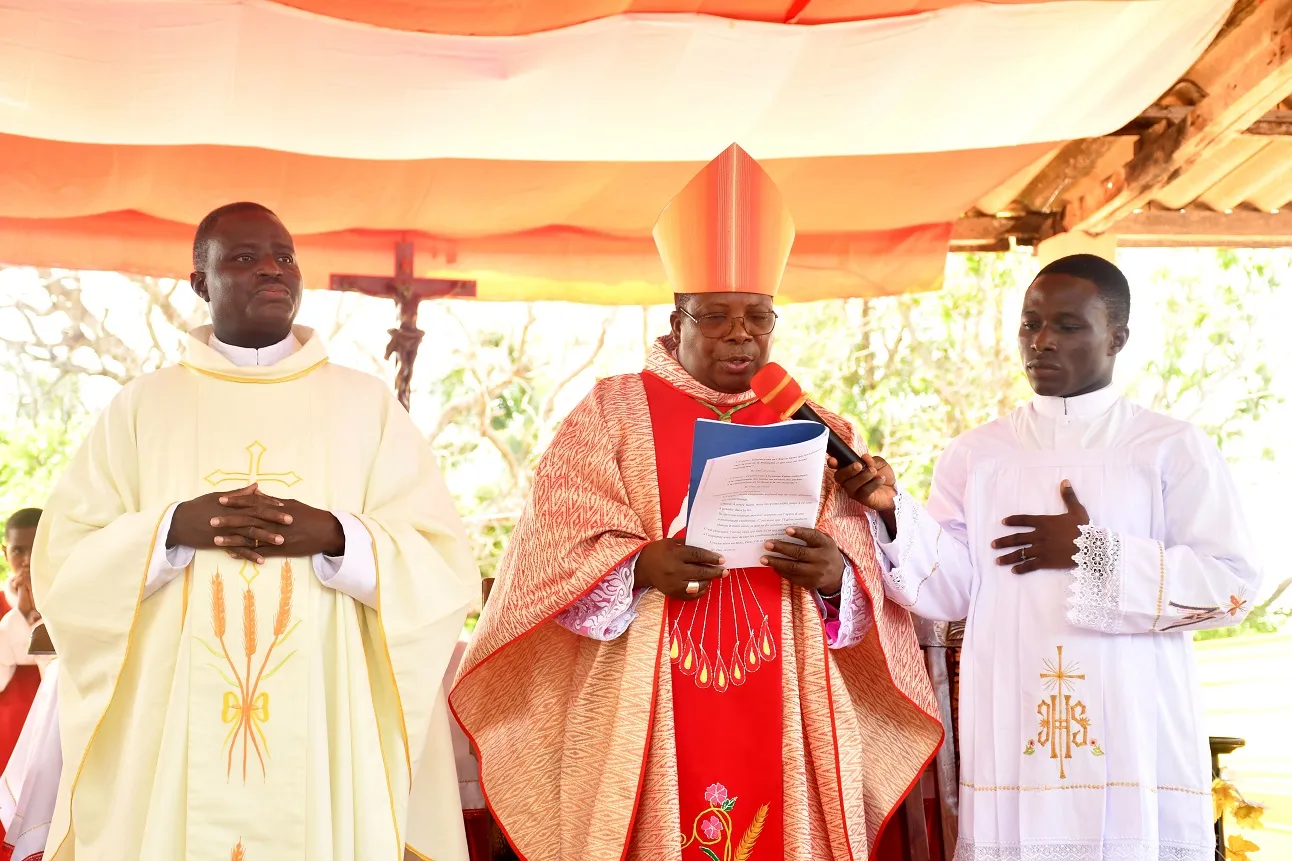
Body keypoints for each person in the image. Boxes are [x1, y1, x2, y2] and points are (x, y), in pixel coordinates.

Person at [450, 144, 942, 861]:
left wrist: (836, 576)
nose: (740, 333)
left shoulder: (819, 426)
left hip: (788, 688)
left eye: (758, 317)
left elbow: (869, 578)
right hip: (650, 694)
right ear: (676, 317)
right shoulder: (610, 414)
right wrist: (637, 566)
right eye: (715, 316)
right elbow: (547, 556)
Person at [31, 202, 479, 861]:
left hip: (324, 720)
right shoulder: (143, 407)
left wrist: (337, 537)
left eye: (284, 256)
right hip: (173, 726)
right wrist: (171, 529)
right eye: (244, 257)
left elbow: (441, 562)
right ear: (200, 282)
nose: (273, 269)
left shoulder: (365, 406)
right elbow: (65, 564)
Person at [860, 254, 1264, 860]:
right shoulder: (977, 454)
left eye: (1068, 326)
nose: (1042, 341)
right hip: (1014, 720)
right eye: (1030, 323)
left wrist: (1092, 552)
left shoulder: (1169, 447)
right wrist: (893, 512)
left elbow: (1231, 587)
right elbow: (950, 590)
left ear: (1117, 337)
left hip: (1133, 725)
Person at [0, 510, 44, 773]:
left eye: (36, 548)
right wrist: (21, 614)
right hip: (6, 731)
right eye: (18, 550)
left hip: (55, 728)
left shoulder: (70, 602)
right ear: (5, 553)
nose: (27, 560)